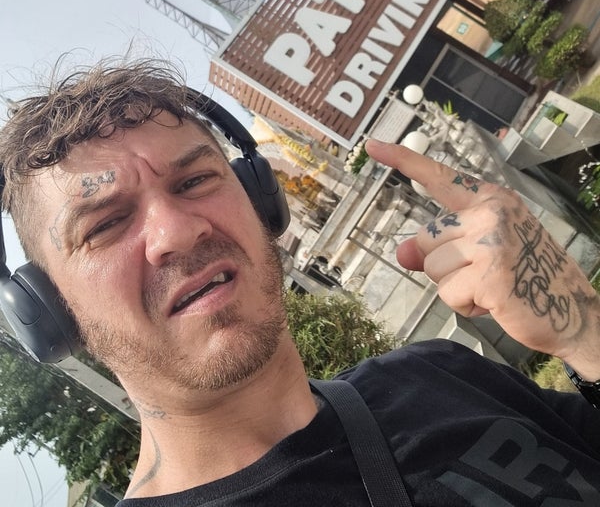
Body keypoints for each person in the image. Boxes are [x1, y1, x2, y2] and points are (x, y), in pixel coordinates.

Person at [1, 57, 600, 506]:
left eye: (194, 181)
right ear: (50, 311)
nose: (177, 233)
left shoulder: (440, 376)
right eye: (106, 224)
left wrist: (584, 334)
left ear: (261, 201)